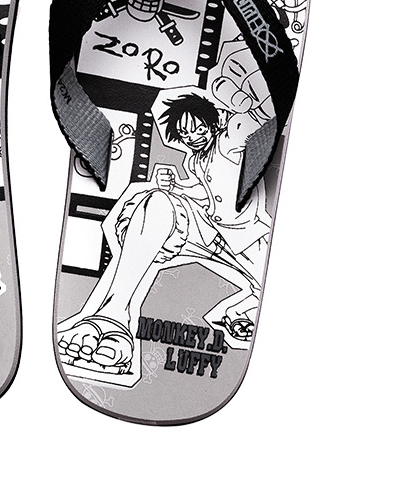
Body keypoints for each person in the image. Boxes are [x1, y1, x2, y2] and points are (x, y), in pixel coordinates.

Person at [59, 89, 272, 372]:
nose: (193, 137)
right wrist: (174, 186)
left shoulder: (228, 139)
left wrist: (247, 100)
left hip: (249, 238)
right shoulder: (193, 160)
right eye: (185, 134)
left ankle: (241, 312)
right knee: (156, 203)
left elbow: (257, 118)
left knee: (267, 288)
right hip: (211, 232)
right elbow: (207, 191)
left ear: (213, 122)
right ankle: (112, 315)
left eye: (198, 128)